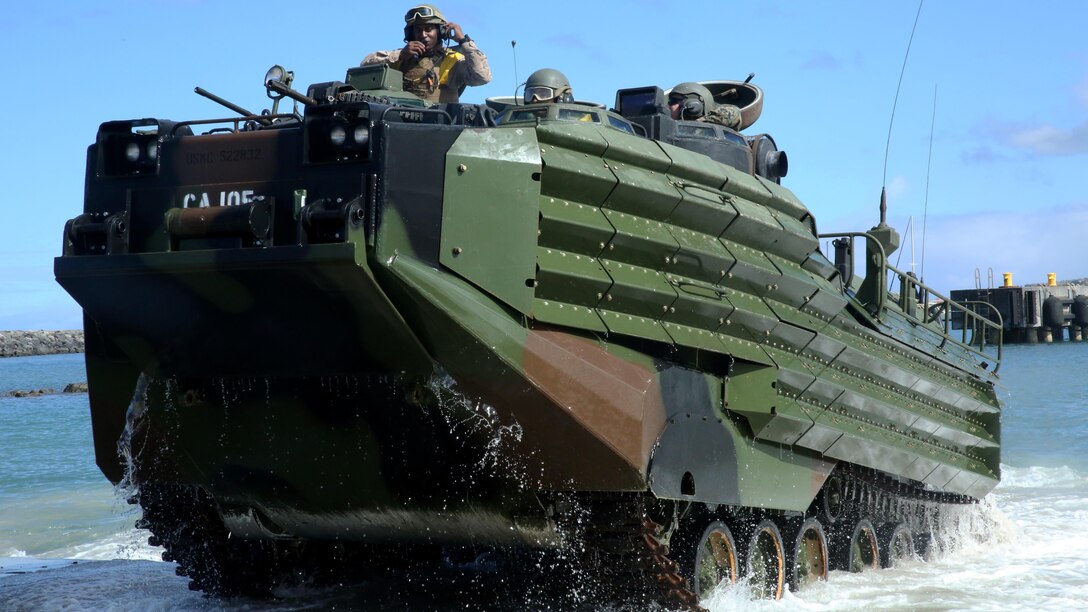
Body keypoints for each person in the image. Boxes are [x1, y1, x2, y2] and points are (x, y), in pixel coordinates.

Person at [362, 4, 491, 104]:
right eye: (418, 30)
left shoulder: (452, 60)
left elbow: (482, 77)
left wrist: (463, 41)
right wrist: (400, 55)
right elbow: (365, 65)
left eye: (429, 29)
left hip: (440, 128)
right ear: (411, 34)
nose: (423, 35)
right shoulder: (400, 58)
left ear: (440, 32)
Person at [667, 82, 742, 130]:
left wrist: (696, 123)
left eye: (673, 101)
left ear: (693, 106)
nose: (667, 106)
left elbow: (734, 113)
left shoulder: (705, 131)